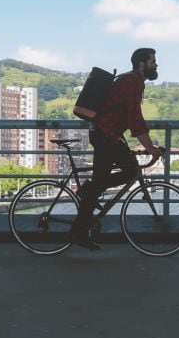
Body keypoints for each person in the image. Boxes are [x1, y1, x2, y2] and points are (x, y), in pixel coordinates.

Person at [69, 47, 162, 251]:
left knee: (123, 173)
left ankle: (89, 191)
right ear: (141, 64)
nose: (156, 65)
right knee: (127, 172)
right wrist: (151, 148)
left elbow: (130, 118)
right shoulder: (132, 82)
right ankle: (79, 229)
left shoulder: (132, 80)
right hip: (105, 135)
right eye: (153, 61)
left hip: (109, 135)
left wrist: (145, 145)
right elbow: (134, 117)